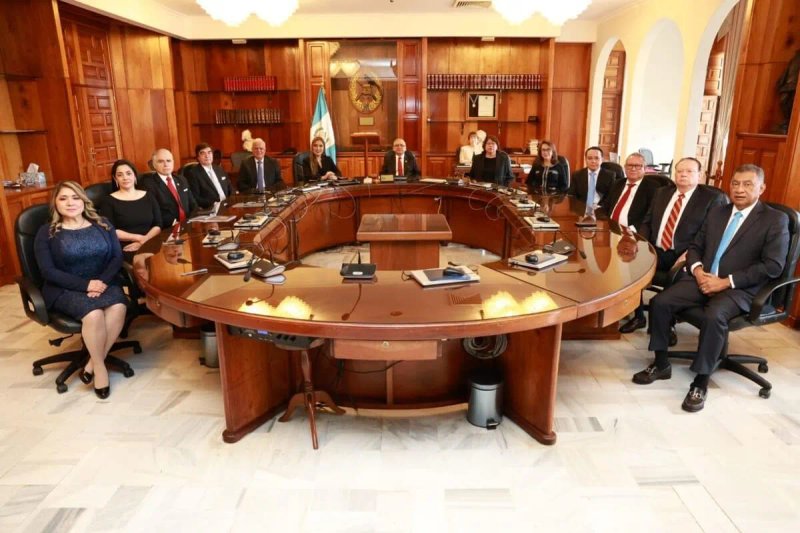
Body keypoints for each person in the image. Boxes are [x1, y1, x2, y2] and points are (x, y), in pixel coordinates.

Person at [634, 164, 790, 413]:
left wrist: (726, 281)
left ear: (761, 188)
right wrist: (697, 270)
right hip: (703, 278)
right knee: (660, 303)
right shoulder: (718, 212)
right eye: (735, 183)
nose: (739, 189)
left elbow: (772, 266)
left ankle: (701, 381)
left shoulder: (775, 220)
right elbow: (695, 246)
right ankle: (661, 363)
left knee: (713, 315)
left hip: (740, 288)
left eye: (748, 184)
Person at [34, 181, 128, 399]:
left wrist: (101, 282)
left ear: (83, 200)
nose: (70, 203)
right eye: (63, 198)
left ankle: (91, 364)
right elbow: (47, 271)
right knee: (94, 314)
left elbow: (117, 257)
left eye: (75, 197)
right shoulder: (47, 232)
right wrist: (86, 285)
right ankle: (100, 369)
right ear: (55, 204)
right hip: (65, 288)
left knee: (118, 307)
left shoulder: (102, 224)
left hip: (103, 282)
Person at [619, 157, 728, 334]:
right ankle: (638, 316)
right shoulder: (662, 192)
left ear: (699, 175)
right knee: (630, 264)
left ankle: (666, 326)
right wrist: (642, 243)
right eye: (679, 171)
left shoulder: (711, 199)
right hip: (656, 249)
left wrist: (690, 254)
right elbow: (647, 222)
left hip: (685, 255)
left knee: (674, 279)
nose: (683, 174)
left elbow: (711, 235)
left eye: (689, 171)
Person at [98, 159, 162, 256]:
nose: (125, 177)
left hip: (151, 241)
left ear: (135, 176)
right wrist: (139, 239)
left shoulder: (149, 196)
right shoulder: (108, 201)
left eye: (128, 173)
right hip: (127, 246)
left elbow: (158, 224)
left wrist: (144, 241)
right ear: (115, 179)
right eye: (120, 175)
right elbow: (110, 230)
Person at [599, 152, 662, 230]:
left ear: (645, 169)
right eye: (630, 165)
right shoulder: (617, 183)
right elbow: (605, 205)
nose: (633, 169)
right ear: (625, 167)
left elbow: (651, 218)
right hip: (609, 228)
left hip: (633, 233)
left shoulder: (653, 188)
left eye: (638, 166)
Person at [140, 148, 197, 229]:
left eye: (168, 161)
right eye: (161, 161)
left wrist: (194, 220)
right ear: (154, 164)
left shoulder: (182, 179)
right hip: (168, 229)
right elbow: (154, 214)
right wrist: (175, 224)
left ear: (173, 162)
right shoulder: (148, 184)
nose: (166, 164)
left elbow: (193, 205)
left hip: (189, 225)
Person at [184, 142, 232, 208]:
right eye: (203, 153)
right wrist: (215, 204)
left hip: (228, 205)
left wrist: (233, 200)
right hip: (211, 209)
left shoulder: (219, 169)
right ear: (198, 157)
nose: (207, 156)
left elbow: (230, 188)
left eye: (209, 152)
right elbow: (195, 198)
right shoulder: (193, 174)